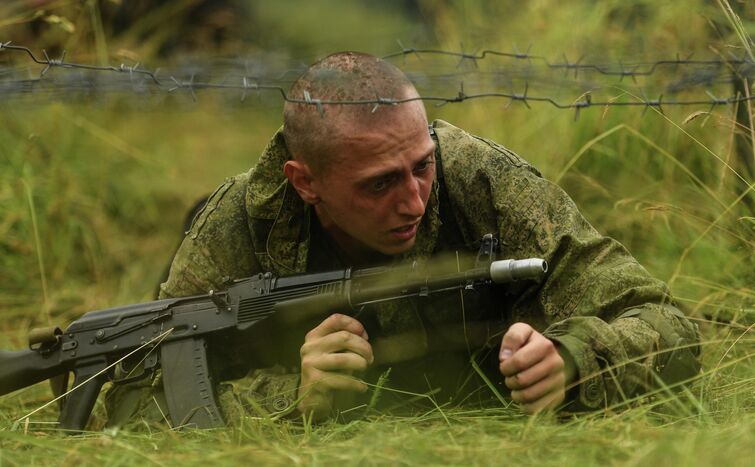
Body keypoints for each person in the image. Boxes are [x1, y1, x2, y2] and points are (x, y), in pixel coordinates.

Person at [106, 52, 700, 425]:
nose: (414, 200)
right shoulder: (237, 224)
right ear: (305, 181)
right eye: (380, 184)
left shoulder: (481, 181)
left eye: (422, 166)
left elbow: (666, 322)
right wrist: (290, 400)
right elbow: (134, 399)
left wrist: (572, 361)